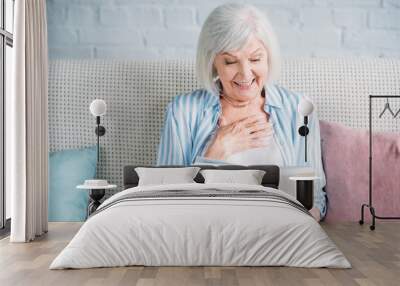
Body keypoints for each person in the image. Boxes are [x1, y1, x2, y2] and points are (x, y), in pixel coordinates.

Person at [156, 3, 326, 221]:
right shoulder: (182, 112)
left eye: (255, 59)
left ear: (269, 57)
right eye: (230, 61)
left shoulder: (300, 110)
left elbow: (316, 197)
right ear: (213, 63)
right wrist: (217, 151)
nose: (245, 74)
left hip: (278, 234)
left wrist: (303, 223)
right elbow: (164, 197)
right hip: (205, 232)